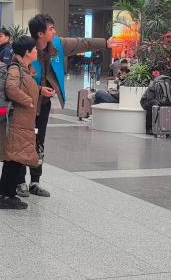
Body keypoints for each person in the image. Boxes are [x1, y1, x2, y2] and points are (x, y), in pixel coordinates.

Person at [17, 14, 116, 198]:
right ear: (40, 33)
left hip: (43, 105)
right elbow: (17, 82)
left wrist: (105, 43)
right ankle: (19, 182)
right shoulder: (25, 50)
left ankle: (35, 182)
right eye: (51, 29)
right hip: (25, 106)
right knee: (23, 142)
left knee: (39, 142)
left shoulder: (57, 45)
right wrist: (39, 90)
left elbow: (81, 43)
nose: (55, 31)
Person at [0, 36, 40, 210]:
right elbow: (11, 88)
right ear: (27, 52)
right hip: (17, 121)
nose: (36, 51)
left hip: (21, 121)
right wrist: (28, 100)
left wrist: (40, 90)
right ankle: (8, 196)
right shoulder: (16, 68)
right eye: (34, 49)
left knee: (13, 158)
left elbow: (21, 86)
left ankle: (2, 192)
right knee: (15, 159)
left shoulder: (24, 69)